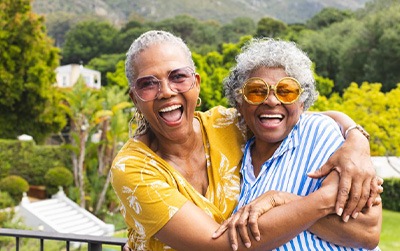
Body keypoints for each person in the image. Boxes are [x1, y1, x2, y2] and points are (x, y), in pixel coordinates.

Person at [110, 30, 381, 251]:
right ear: (134, 97)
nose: (166, 92)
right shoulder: (133, 168)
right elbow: (218, 245)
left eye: (177, 77)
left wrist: (356, 139)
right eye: (148, 83)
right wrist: (322, 199)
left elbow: (289, 114)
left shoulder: (225, 125)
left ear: (196, 82)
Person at [213, 37, 382, 250]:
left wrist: (281, 200)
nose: (272, 101)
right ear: (239, 101)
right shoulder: (235, 156)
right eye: (256, 91)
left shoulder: (318, 132)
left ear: (302, 102)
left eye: (286, 91)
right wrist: (301, 207)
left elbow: (366, 232)